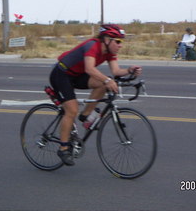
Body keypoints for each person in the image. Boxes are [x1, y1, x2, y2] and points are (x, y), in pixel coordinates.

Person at [49, 24, 142, 166]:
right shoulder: (93, 46)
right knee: (71, 110)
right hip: (61, 74)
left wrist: (129, 70)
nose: (120, 45)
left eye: (121, 42)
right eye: (118, 41)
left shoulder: (109, 52)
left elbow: (116, 71)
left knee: (103, 85)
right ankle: (63, 148)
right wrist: (108, 79)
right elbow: (90, 69)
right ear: (106, 39)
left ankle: (85, 115)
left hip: (77, 75)